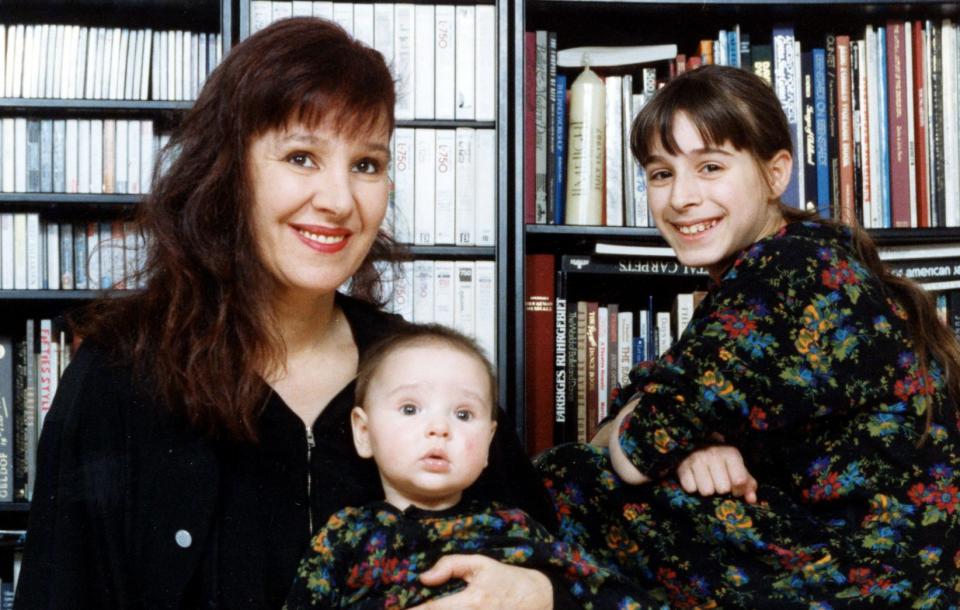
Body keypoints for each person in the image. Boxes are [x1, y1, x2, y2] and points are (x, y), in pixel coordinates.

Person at [15, 18, 560, 610]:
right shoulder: (119, 374)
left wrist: (540, 590)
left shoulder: (424, 369)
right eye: (301, 157)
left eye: (367, 164)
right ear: (229, 171)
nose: (338, 200)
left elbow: (547, 555)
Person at [538, 65, 960, 609]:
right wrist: (694, 444)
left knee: (563, 479)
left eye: (709, 167)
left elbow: (636, 447)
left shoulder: (787, 271)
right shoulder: (799, 256)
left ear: (776, 173)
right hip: (864, 564)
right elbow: (645, 422)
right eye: (660, 173)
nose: (682, 198)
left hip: (868, 583)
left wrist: (672, 439)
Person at [284, 323, 649, 609]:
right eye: (410, 409)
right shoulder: (344, 535)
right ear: (363, 432)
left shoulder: (513, 526)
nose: (439, 428)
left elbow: (613, 596)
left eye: (463, 413)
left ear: (490, 443)